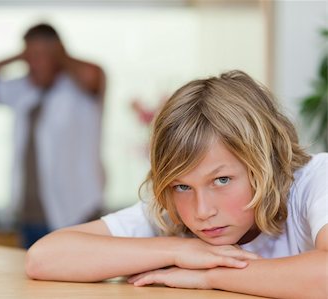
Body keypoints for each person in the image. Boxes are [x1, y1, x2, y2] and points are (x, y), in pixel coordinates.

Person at [25, 70, 327, 299]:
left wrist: (211, 276)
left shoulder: (314, 180)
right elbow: (44, 257)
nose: (202, 211)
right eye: (182, 186)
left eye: (221, 180)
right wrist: (177, 249)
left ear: (265, 164)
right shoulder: (170, 213)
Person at [0, 23, 105, 248]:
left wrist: (59, 55)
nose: (32, 63)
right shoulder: (24, 88)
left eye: (39, 56)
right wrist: (17, 56)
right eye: (28, 56)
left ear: (58, 53)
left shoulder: (77, 89)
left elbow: (94, 74)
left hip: (76, 211)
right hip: (30, 216)